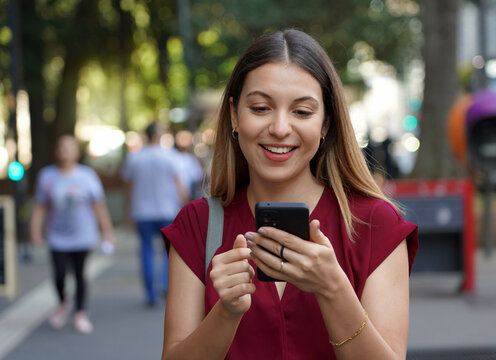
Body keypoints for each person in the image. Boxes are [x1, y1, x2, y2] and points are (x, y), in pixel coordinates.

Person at [161, 29, 418, 359]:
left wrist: (333, 289)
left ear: (326, 124)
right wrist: (226, 312)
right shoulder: (197, 224)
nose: (280, 128)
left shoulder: (374, 224)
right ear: (235, 114)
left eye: (302, 112)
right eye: (260, 108)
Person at [30, 135, 115, 334]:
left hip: (83, 236)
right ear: (56, 151)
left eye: (70, 147)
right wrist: (35, 230)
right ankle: (62, 302)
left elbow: (99, 207)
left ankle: (80, 313)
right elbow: (40, 207)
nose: (66, 151)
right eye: (62, 147)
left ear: (77, 152)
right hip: (57, 236)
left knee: (79, 274)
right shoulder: (47, 176)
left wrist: (108, 233)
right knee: (59, 274)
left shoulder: (87, 176)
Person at [122, 122, 189, 306]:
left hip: (142, 212)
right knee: (169, 252)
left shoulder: (134, 158)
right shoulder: (171, 157)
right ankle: (167, 285)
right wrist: (185, 206)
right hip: (167, 210)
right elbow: (180, 186)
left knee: (146, 250)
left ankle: (150, 293)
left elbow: (129, 186)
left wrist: (128, 209)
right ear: (159, 135)